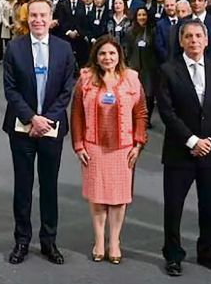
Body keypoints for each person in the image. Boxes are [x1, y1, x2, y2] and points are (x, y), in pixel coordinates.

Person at [2, 0, 77, 265]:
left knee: (49, 186)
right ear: (27, 18)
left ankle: (49, 241)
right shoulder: (14, 48)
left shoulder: (64, 49)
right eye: (33, 15)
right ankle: (22, 240)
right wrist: (32, 118)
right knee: (23, 186)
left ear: (51, 18)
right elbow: (10, 89)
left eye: (43, 15)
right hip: (22, 128)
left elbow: (67, 90)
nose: (38, 20)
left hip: (52, 128)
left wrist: (45, 120)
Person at [157, 19, 211, 277]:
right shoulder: (168, 70)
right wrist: (192, 141)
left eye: (198, 36)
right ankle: (173, 255)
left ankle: (208, 252)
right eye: (188, 36)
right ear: (180, 41)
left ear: (206, 39)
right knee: (174, 206)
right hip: (180, 151)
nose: (194, 41)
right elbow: (167, 112)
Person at [71, 35, 147, 264]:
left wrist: (138, 143)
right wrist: (78, 144)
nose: (107, 58)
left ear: (119, 56)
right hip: (93, 147)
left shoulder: (132, 79)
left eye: (112, 53)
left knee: (117, 199)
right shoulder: (85, 79)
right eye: (103, 53)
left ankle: (114, 241)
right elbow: (76, 113)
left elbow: (141, 113)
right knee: (97, 198)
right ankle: (99, 241)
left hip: (122, 149)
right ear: (96, 55)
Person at [123, 7, 158, 126]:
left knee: (148, 95)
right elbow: (127, 49)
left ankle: (146, 119)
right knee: (134, 94)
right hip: (134, 67)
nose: (142, 17)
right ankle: (134, 117)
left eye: (144, 15)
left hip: (150, 68)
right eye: (139, 15)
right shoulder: (130, 31)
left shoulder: (153, 31)